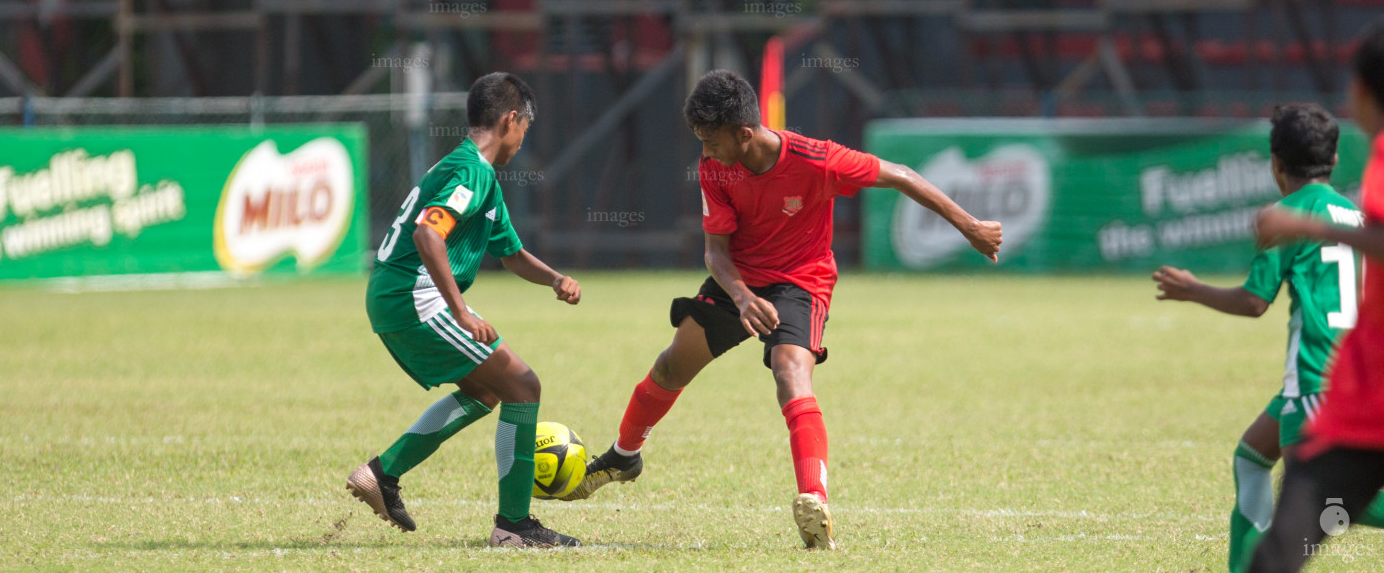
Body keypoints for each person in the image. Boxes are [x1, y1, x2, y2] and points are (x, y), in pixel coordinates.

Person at [564, 69, 1003, 549]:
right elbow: (715, 251)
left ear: (744, 133)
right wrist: (742, 296)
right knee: (671, 365)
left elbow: (900, 175)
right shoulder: (716, 167)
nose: (704, 152)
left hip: (801, 280)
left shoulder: (817, 159)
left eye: (711, 140)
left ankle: (814, 502)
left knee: (790, 372)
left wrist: (971, 226)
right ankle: (625, 456)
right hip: (740, 279)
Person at [348, 72, 584, 548]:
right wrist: (461, 312)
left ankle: (382, 473)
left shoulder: (480, 177)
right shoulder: (472, 171)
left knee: (488, 391)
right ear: (510, 119)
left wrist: (555, 279)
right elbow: (427, 235)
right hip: (413, 296)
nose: (524, 138)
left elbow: (511, 254)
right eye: (525, 127)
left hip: (399, 294)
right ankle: (514, 526)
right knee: (523, 384)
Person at [1152, 103, 1382, 573]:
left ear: (1275, 163)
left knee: (1322, 501)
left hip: (1319, 376)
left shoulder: (1287, 215)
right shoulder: (1354, 214)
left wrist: (1192, 290)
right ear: (1335, 160)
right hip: (1345, 368)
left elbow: (1255, 302)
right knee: (1252, 455)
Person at [1249, 23, 1384, 572]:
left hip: (1358, 396)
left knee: (1284, 550)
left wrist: (1307, 226)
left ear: (1362, 91)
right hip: (1356, 398)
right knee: (1281, 551)